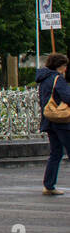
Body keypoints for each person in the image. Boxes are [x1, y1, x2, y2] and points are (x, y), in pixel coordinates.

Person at [35, 53, 70, 195]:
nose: (66, 69)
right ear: (60, 66)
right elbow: (67, 96)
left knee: (55, 153)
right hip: (61, 121)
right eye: (65, 66)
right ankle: (49, 186)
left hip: (49, 120)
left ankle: (48, 185)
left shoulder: (44, 79)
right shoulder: (58, 79)